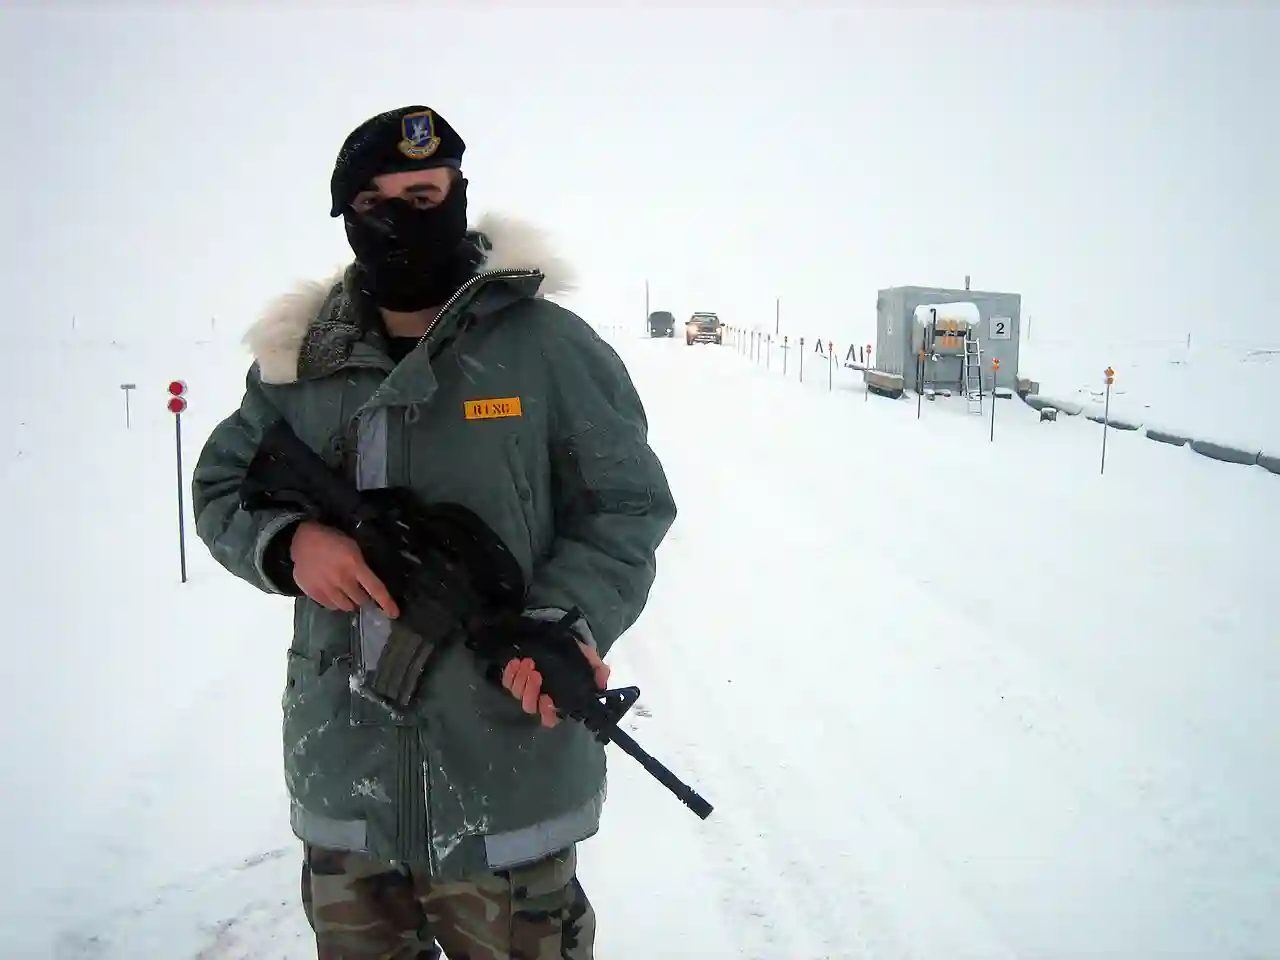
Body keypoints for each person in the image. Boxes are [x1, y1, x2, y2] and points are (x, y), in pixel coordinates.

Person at [191, 104, 677, 960]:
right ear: (347, 218)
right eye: (381, 203)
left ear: (459, 193)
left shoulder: (548, 348)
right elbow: (225, 483)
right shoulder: (300, 361)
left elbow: (627, 506)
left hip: (508, 786)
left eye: (427, 192)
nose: (409, 217)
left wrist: (565, 623)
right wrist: (292, 544)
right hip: (350, 785)